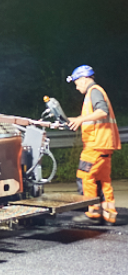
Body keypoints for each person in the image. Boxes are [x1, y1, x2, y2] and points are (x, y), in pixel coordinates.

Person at [66, 65, 120, 224]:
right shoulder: (97, 91)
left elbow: (102, 112)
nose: (76, 87)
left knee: (85, 176)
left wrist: (79, 119)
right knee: (103, 181)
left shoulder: (94, 91)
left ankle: (93, 213)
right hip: (104, 144)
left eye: (76, 83)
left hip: (96, 144)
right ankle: (109, 214)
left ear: (83, 79)